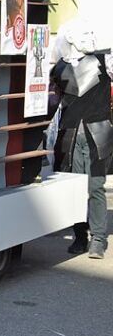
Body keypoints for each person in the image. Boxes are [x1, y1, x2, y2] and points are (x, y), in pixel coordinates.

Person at [51, 20, 113, 258]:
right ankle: (79, 236)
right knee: (75, 189)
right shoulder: (60, 68)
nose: (86, 38)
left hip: (97, 134)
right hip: (71, 135)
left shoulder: (103, 61)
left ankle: (98, 238)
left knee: (96, 187)